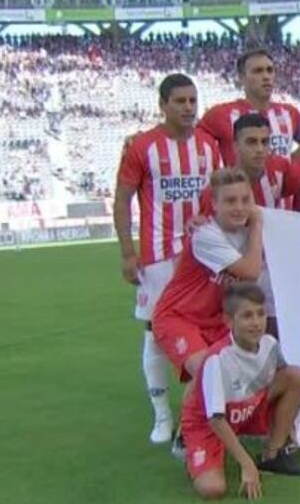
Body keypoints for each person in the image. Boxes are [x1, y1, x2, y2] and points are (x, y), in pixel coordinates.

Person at [113, 73, 220, 444]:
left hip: (201, 256)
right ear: (163, 105)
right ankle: (161, 416)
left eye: (193, 100)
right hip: (157, 257)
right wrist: (128, 252)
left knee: (208, 327)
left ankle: (205, 410)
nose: (189, 107)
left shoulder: (208, 146)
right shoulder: (143, 147)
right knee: (155, 333)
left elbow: (216, 197)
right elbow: (123, 199)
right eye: (180, 101)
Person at [182, 282, 300, 501]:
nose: (256, 323)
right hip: (210, 423)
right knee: (212, 490)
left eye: (261, 314)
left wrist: (290, 428)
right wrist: (247, 463)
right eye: (247, 316)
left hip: (246, 408)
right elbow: (215, 419)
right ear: (229, 321)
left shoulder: (270, 344)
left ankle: (273, 454)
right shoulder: (218, 359)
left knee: (295, 375)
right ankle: (191, 448)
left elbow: (284, 377)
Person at [153, 167, 265, 385]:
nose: (240, 208)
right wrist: (258, 224)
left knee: (237, 381)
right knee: (210, 375)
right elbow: (251, 272)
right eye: (231, 201)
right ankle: (178, 419)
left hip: (217, 321)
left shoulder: (247, 231)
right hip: (179, 317)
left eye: (245, 200)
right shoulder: (206, 235)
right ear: (214, 204)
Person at [199, 114, 289, 335]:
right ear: (235, 145)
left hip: (275, 272)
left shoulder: (282, 170)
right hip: (239, 276)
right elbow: (207, 225)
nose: (260, 149)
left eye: (265, 142)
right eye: (251, 142)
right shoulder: (219, 188)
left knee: (277, 339)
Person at [198, 48, 300, 166]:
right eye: (258, 71)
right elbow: (191, 145)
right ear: (242, 78)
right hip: (241, 183)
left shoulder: (289, 113)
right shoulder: (220, 114)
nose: (266, 76)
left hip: (282, 184)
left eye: (270, 70)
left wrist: (289, 164)